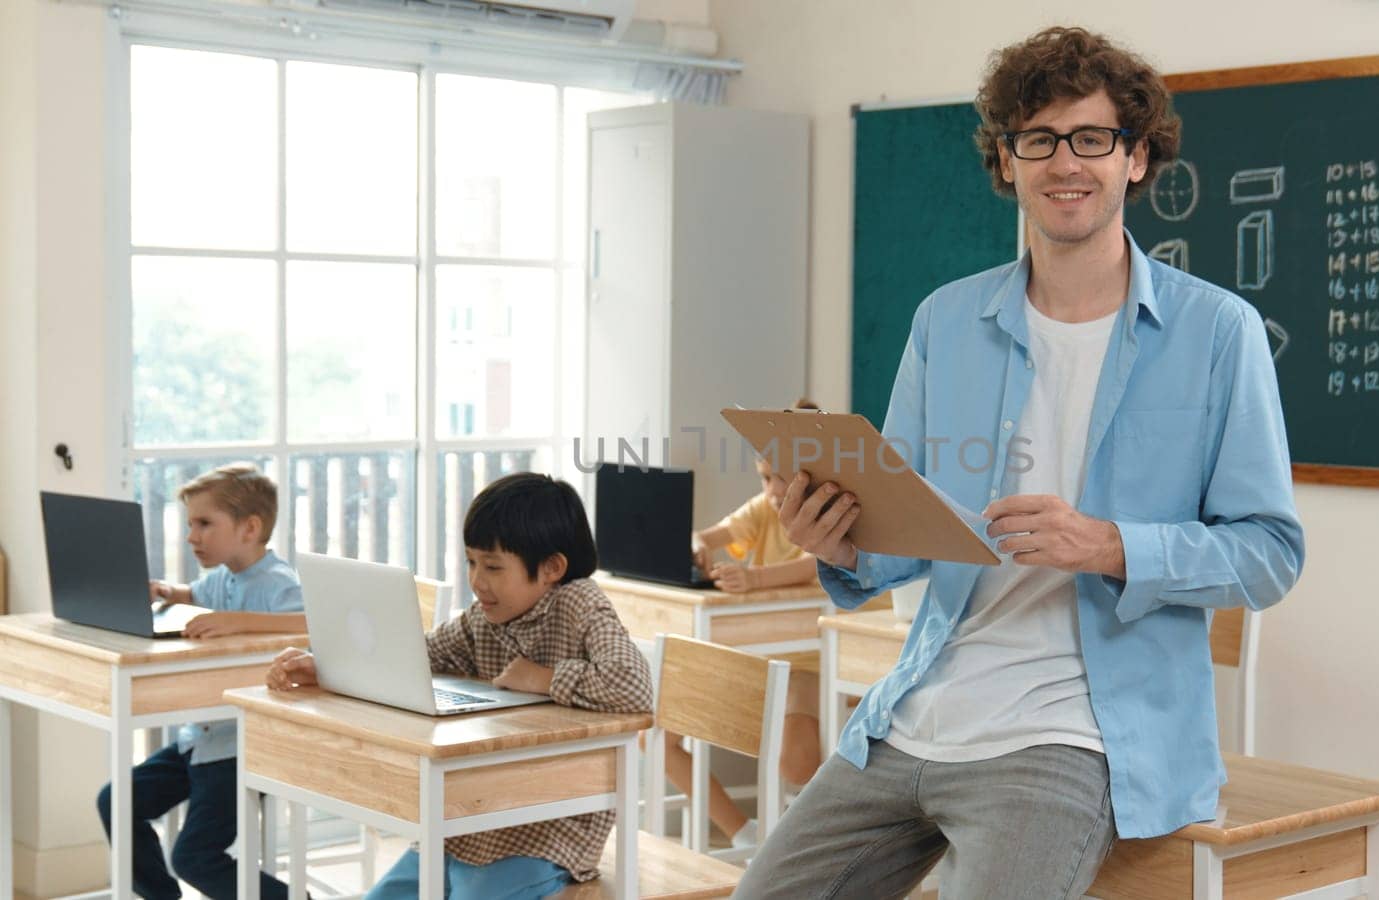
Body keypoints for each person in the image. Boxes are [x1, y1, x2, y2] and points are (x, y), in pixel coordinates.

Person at [736, 25, 1306, 899]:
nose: (1064, 163)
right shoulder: (944, 323)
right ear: (1007, 162)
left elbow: (1270, 551)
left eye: (1092, 138)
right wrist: (838, 543)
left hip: (1074, 737)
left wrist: (1110, 545)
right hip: (913, 713)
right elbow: (908, 532)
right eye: (1037, 140)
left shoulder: (1218, 333)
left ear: (1137, 157)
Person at [267, 472, 653, 898]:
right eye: (471, 562)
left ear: (552, 568)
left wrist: (542, 679)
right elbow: (421, 656)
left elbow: (634, 687)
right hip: (471, 818)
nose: (477, 580)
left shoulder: (581, 603)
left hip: (548, 829)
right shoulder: (483, 618)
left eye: (492, 567)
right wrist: (326, 666)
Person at [96, 463, 305, 900]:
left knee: (193, 857)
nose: (192, 536)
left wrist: (238, 622)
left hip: (241, 748)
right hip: (200, 739)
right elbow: (198, 593)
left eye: (205, 524)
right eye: (191, 524)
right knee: (115, 801)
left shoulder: (279, 582)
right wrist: (172, 593)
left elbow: (311, 625)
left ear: (250, 527)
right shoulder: (222, 578)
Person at [668, 398, 826, 849]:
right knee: (654, 735)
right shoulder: (764, 509)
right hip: (759, 659)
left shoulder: (831, 512)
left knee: (796, 763)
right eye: (765, 477)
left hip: (807, 661)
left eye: (783, 479)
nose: (774, 491)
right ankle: (745, 835)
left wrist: (754, 578)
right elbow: (709, 534)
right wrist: (699, 546)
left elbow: (818, 566)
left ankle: (810, 835)